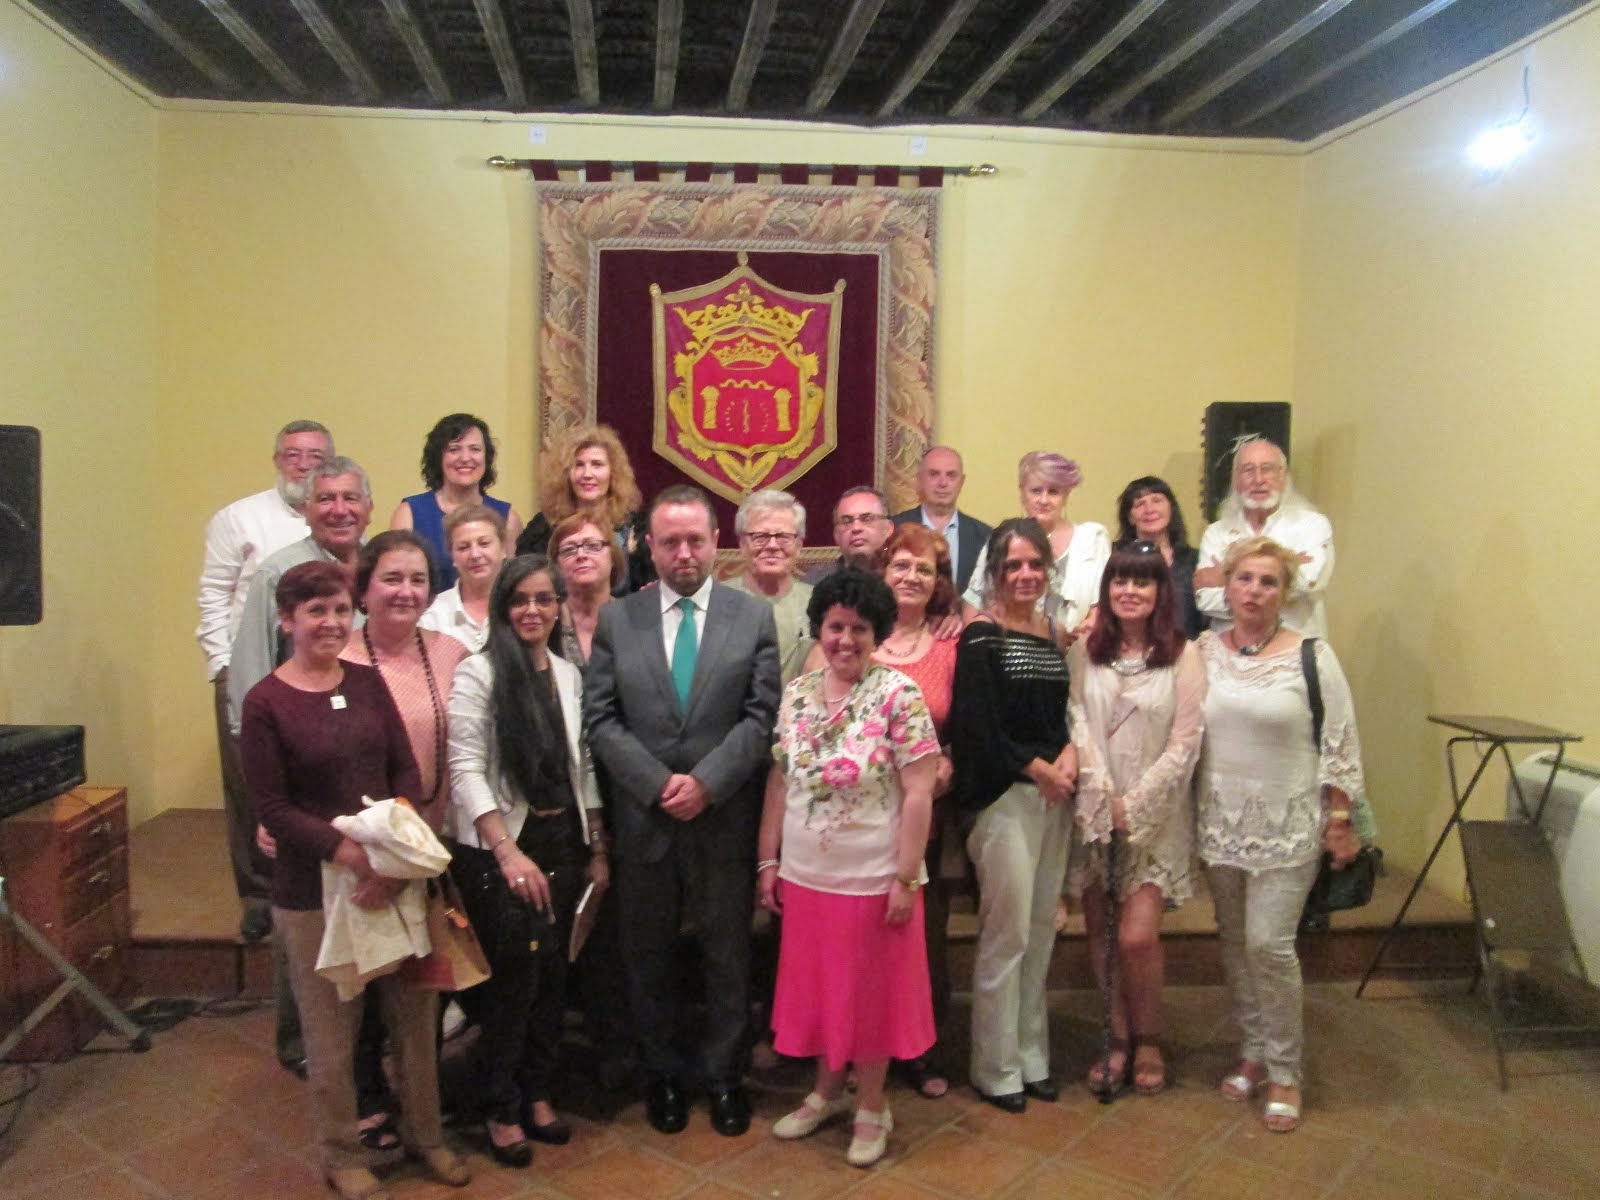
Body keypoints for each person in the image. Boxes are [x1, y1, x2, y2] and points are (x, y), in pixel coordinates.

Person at [239, 561, 469, 1200]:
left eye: (341, 610)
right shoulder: (265, 702)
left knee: (415, 1025)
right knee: (333, 1037)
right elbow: (273, 809)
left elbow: (405, 775)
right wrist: (350, 855)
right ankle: (343, 1153)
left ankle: (428, 1138)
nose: (332, 623)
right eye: (316, 611)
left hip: (392, 883)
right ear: (288, 620)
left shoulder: (368, 685)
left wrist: (390, 864)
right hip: (313, 892)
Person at [584, 484, 781, 1138]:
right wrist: (657, 783)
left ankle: (724, 1078)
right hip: (647, 822)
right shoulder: (618, 619)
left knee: (729, 956)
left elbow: (760, 720)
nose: (683, 552)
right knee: (649, 957)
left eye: (695, 539)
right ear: (649, 545)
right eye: (669, 541)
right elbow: (602, 720)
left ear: (717, 541)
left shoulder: (751, 618)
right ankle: (662, 1074)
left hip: (723, 818)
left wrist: (708, 783)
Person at [760, 569, 939, 1167]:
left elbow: (918, 793)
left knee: (867, 996)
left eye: (859, 628)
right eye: (835, 627)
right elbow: (781, 780)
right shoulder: (798, 694)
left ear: (877, 633)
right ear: (820, 628)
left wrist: (906, 876)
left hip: (873, 878)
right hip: (808, 876)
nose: (845, 639)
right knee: (823, 991)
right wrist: (768, 858)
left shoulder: (899, 696)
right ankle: (825, 1091)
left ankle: (871, 1105)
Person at [1197, 536, 1370, 1134]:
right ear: (1228, 585)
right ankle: (1252, 1048)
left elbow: (1340, 742)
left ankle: (1286, 1071)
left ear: (1285, 592)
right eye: (1245, 578)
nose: (1254, 591)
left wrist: (1340, 819)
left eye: (1268, 582)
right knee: (1232, 941)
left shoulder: (1312, 656)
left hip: (1286, 821)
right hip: (1220, 820)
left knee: (1268, 945)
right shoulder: (1204, 651)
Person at [446, 555, 608, 1166]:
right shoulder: (479, 673)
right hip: (500, 851)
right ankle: (498, 1103)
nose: (533, 611)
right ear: (502, 606)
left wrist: (597, 847)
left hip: (561, 844)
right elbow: (464, 768)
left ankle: (538, 1090)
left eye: (545, 599)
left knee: (553, 978)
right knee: (515, 980)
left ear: (559, 605)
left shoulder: (568, 674)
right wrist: (505, 850)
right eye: (521, 600)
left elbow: (583, 768)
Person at [339, 531, 468, 1151]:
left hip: (435, 841)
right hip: (359, 848)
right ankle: (367, 1095)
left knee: (424, 977)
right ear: (363, 588)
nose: (406, 591)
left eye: (418, 579)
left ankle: (420, 1092)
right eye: (391, 578)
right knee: (364, 978)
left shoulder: (451, 652)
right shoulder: (336, 654)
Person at [947, 518, 1076, 1113]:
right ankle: (996, 1068)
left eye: (1035, 564)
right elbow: (977, 731)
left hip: (1056, 797)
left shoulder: (1053, 631)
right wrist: (1036, 768)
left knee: (1043, 932)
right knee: (1008, 935)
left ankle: (1033, 1058)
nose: (1025, 575)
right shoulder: (980, 636)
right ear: (996, 572)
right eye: (1013, 565)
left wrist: (1069, 757)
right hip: (1004, 799)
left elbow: (1065, 715)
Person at [1067, 542, 1205, 1095]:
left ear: (1159, 592)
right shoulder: (1085, 652)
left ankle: (1150, 1035)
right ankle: (1118, 1036)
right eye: (1120, 581)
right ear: (1107, 590)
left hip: (1156, 814)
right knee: (1100, 931)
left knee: (1137, 937)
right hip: (1097, 811)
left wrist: (1139, 803)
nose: (1129, 591)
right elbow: (1076, 722)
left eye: (1142, 582)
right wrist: (1104, 795)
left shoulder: (1182, 654)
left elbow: (1187, 739)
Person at [196, 419, 333, 942]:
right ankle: (256, 893)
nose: (303, 464)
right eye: (293, 454)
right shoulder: (239, 518)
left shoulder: (338, 520)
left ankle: (308, 882)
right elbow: (213, 593)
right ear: (278, 459)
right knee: (249, 783)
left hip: (315, 667)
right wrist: (221, 664)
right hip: (249, 665)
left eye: (315, 456)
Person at [871, 523, 961, 1099]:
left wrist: (948, 760)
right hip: (857, 815)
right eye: (901, 565)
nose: (910, 577)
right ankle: (863, 1043)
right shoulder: (857, 636)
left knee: (922, 935)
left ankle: (920, 1050)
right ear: (882, 572)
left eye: (922, 569)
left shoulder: (953, 645)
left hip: (923, 815)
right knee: (864, 935)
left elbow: (967, 726)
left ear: (937, 583)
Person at [1193, 438, 1334, 637]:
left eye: (1267, 469)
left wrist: (1225, 576)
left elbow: (1307, 583)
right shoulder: (1216, 532)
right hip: (1229, 655)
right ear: (1236, 480)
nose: (1258, 479)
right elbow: (1204, 599)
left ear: (1283, 477)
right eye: (1248, 470)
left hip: (1293, 654)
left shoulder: (1312, 525)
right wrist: (1284, 570)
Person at [963, 452, 1109, 638]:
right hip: (1006, 650)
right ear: (1022, 493)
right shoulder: (1001, 539)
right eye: (1036, 491)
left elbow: (1104, 605)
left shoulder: (1092, 541)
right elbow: (974, 603)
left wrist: (1093, 623)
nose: (1044, 500)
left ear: (1066, 495)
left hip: (1077, 654)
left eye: (1054, 492)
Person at [390, 414, 523, 589]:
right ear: (439, 457)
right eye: (454, 449)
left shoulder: (508, 518)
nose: (465, 457)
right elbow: (397, 580)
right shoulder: (409, 513)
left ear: (487, 457)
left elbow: (514, 585)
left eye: (475, 449)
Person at [515, 423, 652, 592]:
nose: (587, 474)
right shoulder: (542, 528)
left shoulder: (637, 527)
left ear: (613, 472)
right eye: (578, 465)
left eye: (597, 465)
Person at [726, 489, 814, 685]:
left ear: (799, 545)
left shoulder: (819, 604)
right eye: (760, 536)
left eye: (783, 536)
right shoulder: (715, 601)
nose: (773, 545)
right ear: (742, 544)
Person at [891, 446, 992, 595]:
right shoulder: (894, 528)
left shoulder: (985, 536)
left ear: (962, 482)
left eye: (951, 475)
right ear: (919, 479)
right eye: (934, 474)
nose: (943, 483)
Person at [1114, 476, 1202, 640]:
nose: (1149, 510)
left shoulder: (1194, 560)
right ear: (1130, 517)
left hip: (1185, 651)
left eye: (1157, 500)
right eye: (1140, 504)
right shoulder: (1115, 557)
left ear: (1170, 508)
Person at [418, 504, 507, 653]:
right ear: (452, 556)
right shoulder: (432, 616)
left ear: (503, 549)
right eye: (463, 547)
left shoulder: (521, 607)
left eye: (484, 543)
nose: (475, 554)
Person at [547, 512, 624, 670]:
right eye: (569, 550)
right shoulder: (545, 622)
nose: (581, 555)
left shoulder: (634, 621)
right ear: (556, 565)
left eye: (593, 546)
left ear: (613, 557)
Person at [803, 486, 893, 585]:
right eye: (846, 521)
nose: (856, 528)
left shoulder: (902, 581)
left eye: (867, 519)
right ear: (836, 534)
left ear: (888, 529)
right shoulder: (813, 584)